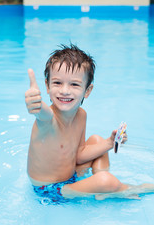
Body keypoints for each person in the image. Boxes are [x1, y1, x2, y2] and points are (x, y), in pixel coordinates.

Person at [25, 44, 154, 202]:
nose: (65, 90)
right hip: (50, 190)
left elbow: (79, 156)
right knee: (106, 180)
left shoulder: (81, 115)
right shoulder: (48, 120)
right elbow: (42, 114)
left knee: (97, 141)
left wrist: (109, 142)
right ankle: (121, 188)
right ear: (47, 86)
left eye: (74, 84)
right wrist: (36, 104)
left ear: (87, 90)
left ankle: (102, 189)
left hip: (71, 176)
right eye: (57, 83)